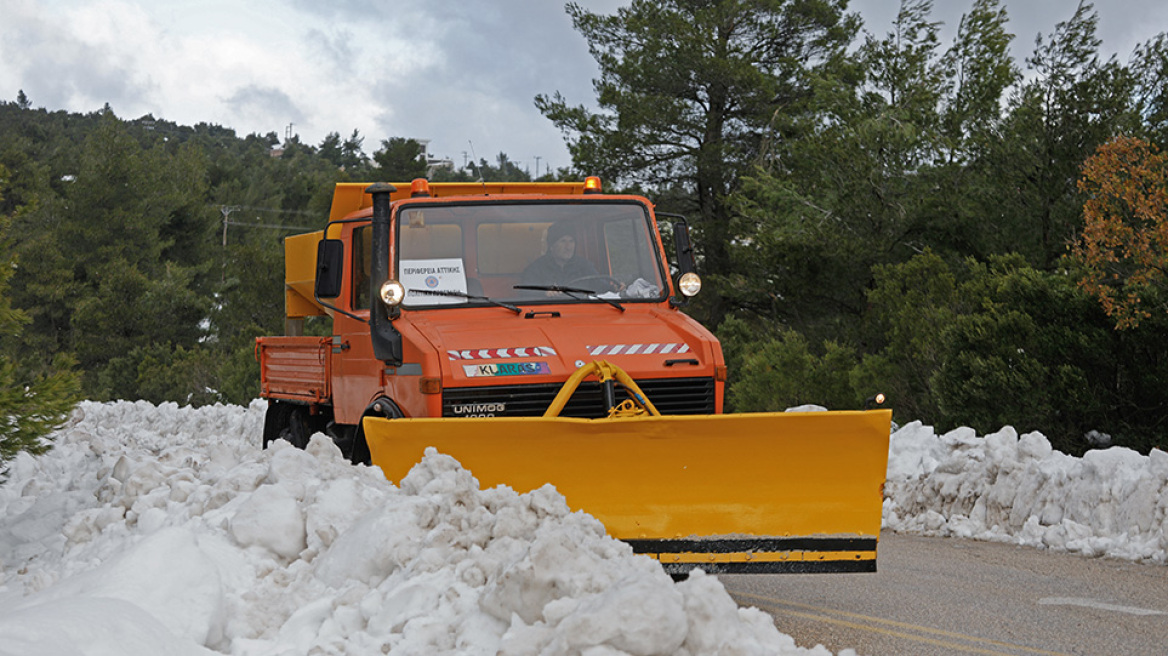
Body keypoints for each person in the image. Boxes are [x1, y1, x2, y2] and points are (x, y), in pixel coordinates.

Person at [519, 221, 600, 295]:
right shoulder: (536, 269)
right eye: (563, 241)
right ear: (551, 246)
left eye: (571, 241)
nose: (568, 247)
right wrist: (544, 293)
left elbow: (604, 288)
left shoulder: (585, 266)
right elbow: (525, 293)